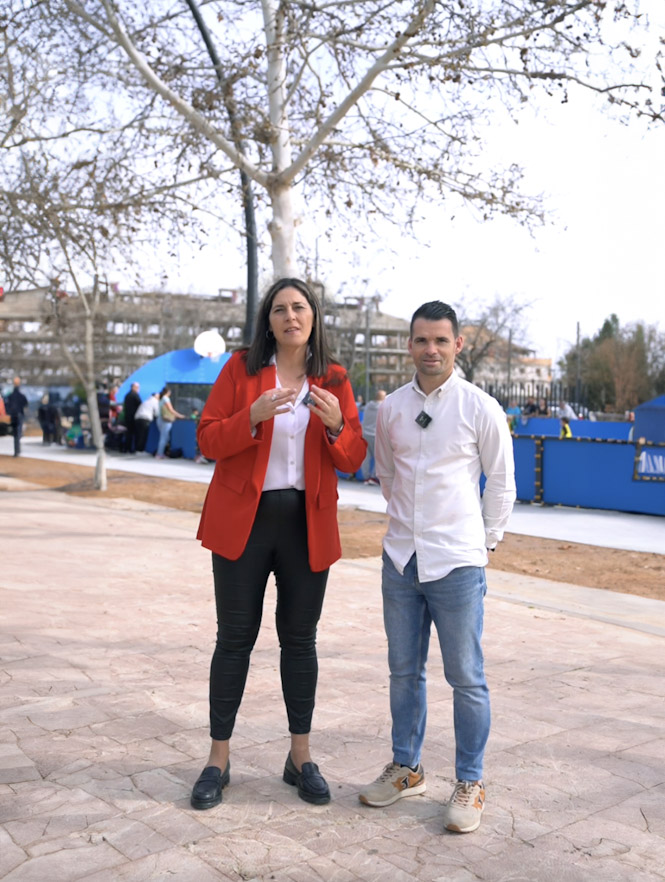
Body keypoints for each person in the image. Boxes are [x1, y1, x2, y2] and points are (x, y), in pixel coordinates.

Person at [192, 277, 366, 810]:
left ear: (313, 317)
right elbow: (206, 438)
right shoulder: (242, 369)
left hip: (305, 525)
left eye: (300, 307)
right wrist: (251, 417)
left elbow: (355, 457)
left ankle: (300, 758)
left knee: (300, 640)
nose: (291, 316)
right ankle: (218, 760)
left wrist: (337, 427)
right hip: (244, 521)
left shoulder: (333, 378)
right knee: (235, 638)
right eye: (280, 309)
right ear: (267, 321)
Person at [359, 301, 516, 834]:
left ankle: (469, 782)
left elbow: (501, 482)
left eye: (441, 341)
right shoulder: (392, 409)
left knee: (466, 678)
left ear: (457, 346)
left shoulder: (480, 408)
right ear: (410, 345)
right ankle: (407, 768)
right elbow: (386, 474)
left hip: (457, 565)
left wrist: (486, 542)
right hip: (401, 560)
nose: (431, 349)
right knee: (404, 673)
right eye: (421, 340)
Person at [361, 389, 386, 483]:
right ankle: (374, 477)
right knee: (379, 457)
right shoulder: (383, 407)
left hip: (365, 434)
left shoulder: (368, 405)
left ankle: (366, 477)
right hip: (376, 435)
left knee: (366, 457)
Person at [155, 386, 185, 459]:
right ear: (168, 392)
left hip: (159, 419)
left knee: (165, 437)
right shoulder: (166, 399)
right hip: (165, 420)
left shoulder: (161, 399)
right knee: (164, 438)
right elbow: (171, 410)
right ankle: (159, 454)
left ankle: (161, 452)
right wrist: (180, 415)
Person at [6, 376, 29, 457]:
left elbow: (7, 406)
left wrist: (10, 412)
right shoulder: (21, 396)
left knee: (16, 433)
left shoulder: (10, 396)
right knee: (17, 433)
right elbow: (25, 404)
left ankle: (17, 450)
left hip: (13, 416)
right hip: (19, 415)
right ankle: (17, 450)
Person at [122, 382, 142, 453]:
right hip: (133, 417)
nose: (138, 389)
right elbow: (140, 404)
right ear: (133, 387)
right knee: (133, 434)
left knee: (128, 433)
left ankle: (126, 448)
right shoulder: (135, 395)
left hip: (127, 416)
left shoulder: (127, 395)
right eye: (137, 388)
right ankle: (132, 449)